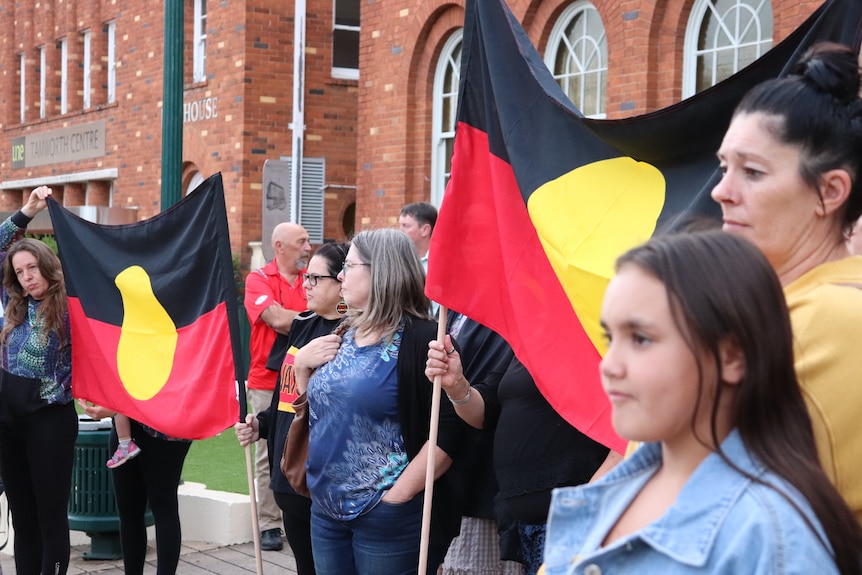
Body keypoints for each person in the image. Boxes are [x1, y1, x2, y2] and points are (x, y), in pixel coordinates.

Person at [542, 231, 862, 574]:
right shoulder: (617, 491)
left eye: (641, 339)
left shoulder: (771, 539)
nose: (609, 365)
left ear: (731, 356)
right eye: (610, 337)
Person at [712, 41, 862, 520]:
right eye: (723, 166)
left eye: (752, 172)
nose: (721, 191)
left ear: (830, 191)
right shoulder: (783, 312)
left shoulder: (826, 321)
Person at [294, 228, 470, 575]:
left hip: (387, 515)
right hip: (326, 509)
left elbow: (450, 431)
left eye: (349, 265)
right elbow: (323, 410)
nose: (340, 275)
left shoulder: (425, 340)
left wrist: (398, 495)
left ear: (381, 271)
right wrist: (302, 370)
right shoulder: (343, 332)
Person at [426, 342, 617, 575]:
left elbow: (628, 429)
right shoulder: (528, 337)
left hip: (572, 523)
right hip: (526, 525)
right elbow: (483, 411)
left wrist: (590, 500)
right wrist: (455, 385)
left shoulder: (595, 335)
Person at [235, 241, 350, 575]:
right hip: (287, 476)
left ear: (343, 281)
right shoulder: (302, 324)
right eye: (305, 276)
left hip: (323, 479)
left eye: (315, 278)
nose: (305, 285)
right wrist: (262, 425)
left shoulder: (354, 336)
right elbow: (284, 400)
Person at [0, 186, 76, 575]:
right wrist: (25, 212)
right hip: (10, 425)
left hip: (50, 422)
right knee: (23, 522)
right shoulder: (12, 304)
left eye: (33, 268)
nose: (27, 277)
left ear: (47, 266)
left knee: (50, 520)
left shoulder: (71, 305)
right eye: (20, 271)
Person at [436, 312, 523, 575]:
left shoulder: (510, 310)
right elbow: (482, 404)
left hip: (495, 489)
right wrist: (456, 386)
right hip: (458, 487)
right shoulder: (452, 309)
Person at [244, 222, 311, 550]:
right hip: (266, 379)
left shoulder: (312, 276)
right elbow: (276, 319)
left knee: (305, 442)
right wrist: (312, 318)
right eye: (302, 242)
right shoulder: (257, 279)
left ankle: (299, 513)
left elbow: (334, 314)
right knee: (266, 451)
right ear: (280, 246)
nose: (308, 248)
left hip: (306, 378)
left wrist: (296, 317)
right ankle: (269, 523)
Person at [79, 402, 191, 575]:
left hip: (166, 425)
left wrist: (116, 407)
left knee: (163, 505)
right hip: (128, 425)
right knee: (129, 511)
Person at [398, 202, 437, 272]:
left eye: (406, 226)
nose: (400, 230)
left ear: (425, 230)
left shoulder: (442, 261)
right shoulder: (397, 259)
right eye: (400, 225)